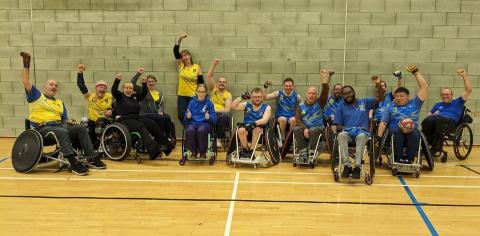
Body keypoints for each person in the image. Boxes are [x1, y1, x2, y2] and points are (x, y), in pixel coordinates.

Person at [20, 52, 105, 175]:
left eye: (56, 85)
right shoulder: (36, 96)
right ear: (44, 87)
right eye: (51, 84)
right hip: (43, 128)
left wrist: (70, 123)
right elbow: (25, 81)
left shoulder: (59, 102)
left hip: (59, 126)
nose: (54, 86)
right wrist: (26, 64)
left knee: (80, 128)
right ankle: (73, 162)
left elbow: (65, 120)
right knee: (62, 131)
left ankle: (92, 157)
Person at [332, 76, 384, 179]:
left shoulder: (364, 102)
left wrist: (378, 84)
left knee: (360, 136)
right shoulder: (341, 107)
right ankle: (346, 166)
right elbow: (337, 125)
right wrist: (348, 128)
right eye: (345, 94)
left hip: (362, 132)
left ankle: (357, 167)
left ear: (354, 92)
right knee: (341, 135)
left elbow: (380, 99)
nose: (348, 95)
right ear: (342, 96)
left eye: (350, 92)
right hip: (348, 133)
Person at [377, 65, 428, 164]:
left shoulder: (415, 103)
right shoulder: (391, 107)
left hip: (412, 130)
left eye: (401, 96)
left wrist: (416, 72)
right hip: (395, 131)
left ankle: (409, 159)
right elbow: (383, 123)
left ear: (408, 96)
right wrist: (379, 138)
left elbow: (424, 87)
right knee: (398, 132)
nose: (398, 98)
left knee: (414, 133)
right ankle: (398, 158)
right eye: (396, 96)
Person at [111, 73, 163, 160]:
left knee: (148, 123)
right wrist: (117, 80)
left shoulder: (134, 97)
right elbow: (114, 90)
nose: (129, 89)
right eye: (126, 88)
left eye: (131, 88)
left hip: (134, 119)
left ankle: (156, 147)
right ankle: (154, 150)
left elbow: (144, 93)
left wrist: (143, 83)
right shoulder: (120, 96)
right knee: (140, 126)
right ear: (123, 89)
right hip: (123, 120)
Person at [421, 68, 472, 156]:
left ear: (452, 95)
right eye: (443, 94)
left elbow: (468, 90)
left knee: (438, 120)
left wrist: (464, 76)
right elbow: (429, 114)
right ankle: (426, 144)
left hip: (451, 124)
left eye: (447, 94)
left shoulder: (458, 102)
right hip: (437, 120)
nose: (445, 96)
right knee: (426, 121)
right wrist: (430, 116)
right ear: (441, 95)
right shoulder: (437, 104)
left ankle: (436, 148)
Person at [131, 68, 175, 154]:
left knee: (167, 117)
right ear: (146, 82)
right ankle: (161, 141)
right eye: (149, 81)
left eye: (152, 81)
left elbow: (161, 104)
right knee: (162, 118)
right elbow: (132, 83)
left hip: (155, 114)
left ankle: (167, 138)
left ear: (155, 82)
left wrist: (161, 111)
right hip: (145, 114)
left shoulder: (159, 92)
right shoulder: (142, 90)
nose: (151, 83)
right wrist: (138, 74)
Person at [293, 69, 331, 160]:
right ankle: (303, 151)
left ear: (316, 95)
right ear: (306, 94)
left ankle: (312, 152)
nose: (311, 95)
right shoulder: (301, 106)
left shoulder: (320, 102)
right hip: (306, 128)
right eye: (310, 93)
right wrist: (305, 128)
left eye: (313, 93)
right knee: (296, 129)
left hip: (318, 128)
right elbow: (297, 120)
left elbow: (325, 92)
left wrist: (324, 81)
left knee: (313, 130)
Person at [76, 64, 113, 149]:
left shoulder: (109, 96)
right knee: (83, 127)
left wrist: (111, 111)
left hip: (105, 121)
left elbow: (115, 107)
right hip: (92, 121)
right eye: (100, 87)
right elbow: (81, 85)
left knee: (100, 122)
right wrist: (80, 72)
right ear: (96, 88)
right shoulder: (90, 96)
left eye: (104, 88)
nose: (102, 89)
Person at [231, 88, 272, 158]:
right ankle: (245, 149)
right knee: (240, 130)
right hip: (247, 128)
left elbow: (264, 120)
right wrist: (241, 98)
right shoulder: (247, 105)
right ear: (251, 97)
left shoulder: (267, 107)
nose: (257, 99)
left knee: (257, 129)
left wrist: (253, 124)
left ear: (262, 98)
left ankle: (252, 150)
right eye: (255, 97)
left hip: (259, 129)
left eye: (259, 97)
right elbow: (233, 106)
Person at [173, 32, 204, 126]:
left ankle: (192, 130)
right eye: (182, 56)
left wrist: (202, 95)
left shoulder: (197, 67)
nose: (184, 57)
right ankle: (189, 129)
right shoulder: (181, 65)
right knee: (181, 115)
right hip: (182, 94)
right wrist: (179, 39)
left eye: (186, 55)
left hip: (193, 95)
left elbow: (201, 83)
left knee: (194, 114)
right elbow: (175, 50)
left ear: (190, 56)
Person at [263, 78, 302, 146]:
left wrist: (300, 113)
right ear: (283, 86)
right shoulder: (278, 93)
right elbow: (265, 97)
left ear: (293, 86)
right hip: (280, 115)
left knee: (293, 120)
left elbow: (302, 105)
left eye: (290, 86)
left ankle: (290, 139)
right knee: (283, 119)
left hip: (291, 116)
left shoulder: (297, 96)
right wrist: (265, 87)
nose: (288, 87)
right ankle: (282, 138)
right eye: (286, 86)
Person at [184, 84, 217, 158]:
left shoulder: (209, 103)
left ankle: (203, 152)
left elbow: (214, 120)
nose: (201, 94)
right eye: (199, 91)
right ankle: (193, 152)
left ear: (206, 93)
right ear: (196, 92)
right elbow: (185, 120)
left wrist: (209, 117)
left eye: (203, 92)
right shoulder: (192, 102)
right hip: (193, 123)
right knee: (189, 131)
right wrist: (187, 116)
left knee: (201, 130)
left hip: (205, 124)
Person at [206, 59, 232, 147]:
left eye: (223, 82)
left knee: (225, 115)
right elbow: (209, 76)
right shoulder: (214, 89)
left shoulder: (228, 95)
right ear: (217, 83)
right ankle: (208, 138)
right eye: (220, 82)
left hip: (221, 114)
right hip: (211, 112)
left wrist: (216, 111)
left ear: (226, 84)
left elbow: (227, 109)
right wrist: (213, 64)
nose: (221, 83)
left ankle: (218, 139)